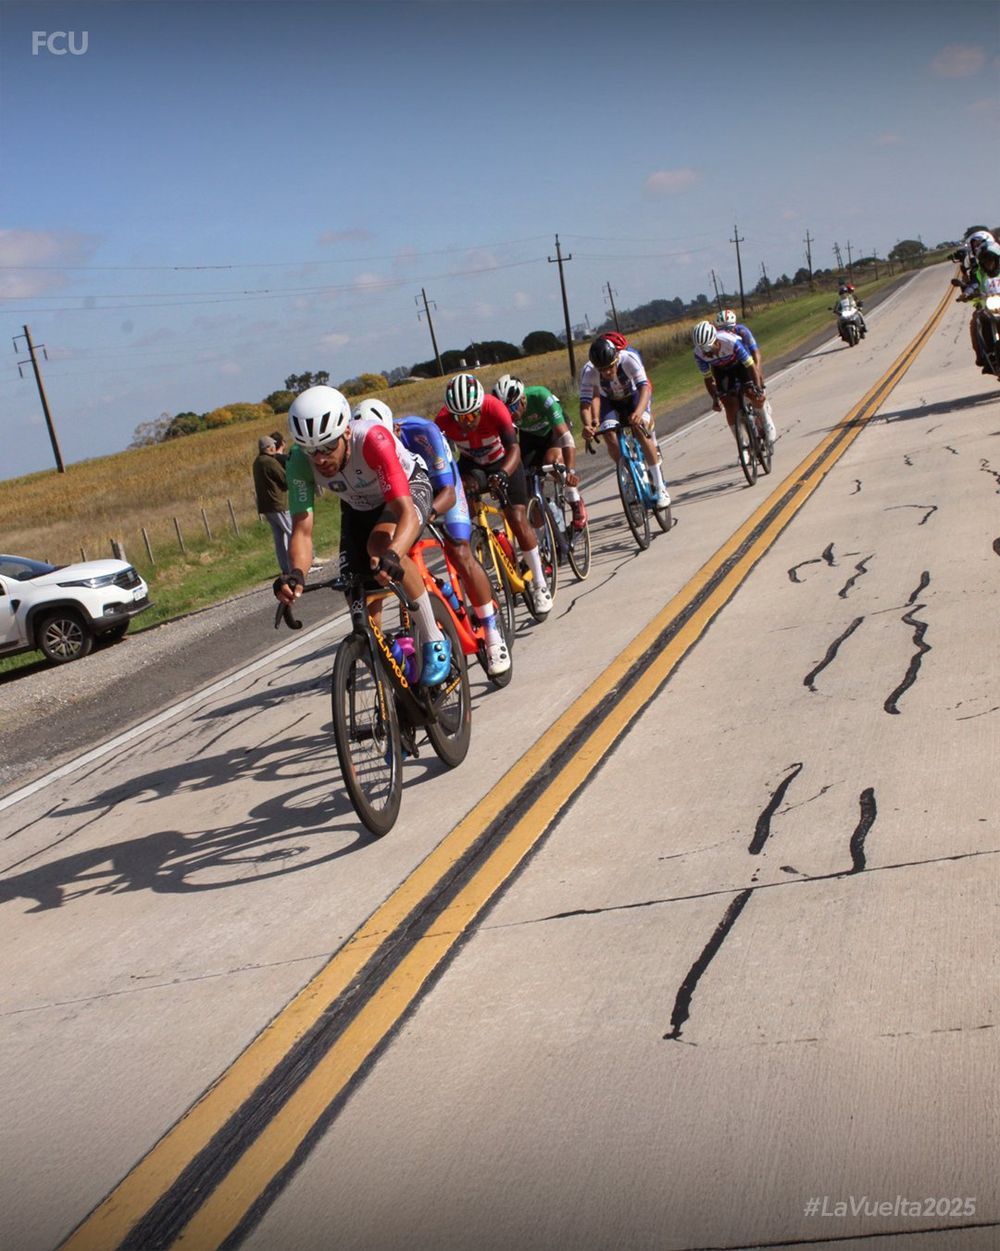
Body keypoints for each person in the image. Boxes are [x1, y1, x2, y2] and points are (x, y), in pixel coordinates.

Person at [275, 385, 452, 686]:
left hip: (406, 491)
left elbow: (405, 513)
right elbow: (302, 529)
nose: (319, 459)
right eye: (311, 450)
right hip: (358, 506)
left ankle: (433, 638)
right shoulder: (298, 462)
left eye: (327, 446)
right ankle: (389, 670)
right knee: (355, 589)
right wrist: (295, 575)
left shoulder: (372, 440)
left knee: (380, 547)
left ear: (345, 433)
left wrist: (395, 554)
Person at [353, 397, 511, 677]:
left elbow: (448, 494)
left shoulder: (423, 432)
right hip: (400, 499)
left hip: (442, 488)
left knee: (459, 549)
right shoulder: (364, 452)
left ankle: (491, 631)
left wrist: (422, 516)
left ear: (396, 431)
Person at [435, 372, 553, 618]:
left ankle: (540, 585)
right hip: (473, 465)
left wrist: (501, 473)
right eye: (460, 417)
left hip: (504, 461)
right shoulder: (443, 422)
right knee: (463, 496)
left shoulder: (495, 408)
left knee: (516, 517)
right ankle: (479, 544)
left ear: (480, 406)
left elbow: (514, 449)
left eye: (471, 415)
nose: (466, 422)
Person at [578, 336, 670, 508]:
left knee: (639, 428)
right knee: (608, 434)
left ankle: (660, 487)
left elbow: (644, 388)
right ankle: (628, 473)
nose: (606, 373)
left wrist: (639, 412)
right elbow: (585, 403)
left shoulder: (629, 359)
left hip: (634, 396)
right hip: (610, 402)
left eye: (610, 367)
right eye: (602, 369)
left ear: (617, 358)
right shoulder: (589, 372)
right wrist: (588, 425)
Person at [492, 375, 588, 529]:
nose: (510, 415)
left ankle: (574, 499)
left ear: (523, 399)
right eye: (505, 410)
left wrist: (570, 470)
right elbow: (505, 448)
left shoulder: (540, 396)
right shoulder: (504, 415)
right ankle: (548, 527)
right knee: (529, 486)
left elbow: (566, 438)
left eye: (512, 408)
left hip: (553, 431)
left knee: (553, 461)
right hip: (530, 437)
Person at [691, 321, 769, 441]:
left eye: (708, 347)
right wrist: (715, 399)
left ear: (716, 340)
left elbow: (750, 366)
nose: (706, 352)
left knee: (752, 393)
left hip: (740, 364)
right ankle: (742, 445)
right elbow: (708, 378)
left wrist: (757, 388)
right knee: (728, 402)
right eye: (702, 349)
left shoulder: (731, 342)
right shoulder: (698, 354)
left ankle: (765, 420)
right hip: (721, 369)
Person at [714, 310, 776, 443]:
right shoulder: (718, 339)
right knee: (730, 400)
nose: (726, 332)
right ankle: (744, 444)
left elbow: (756, 353)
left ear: (734, 325)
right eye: (722, 329)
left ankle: (765, 416)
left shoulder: (742, 331)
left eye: (729, 328)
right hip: (729, 367)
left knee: (755, 381)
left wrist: (758, 374)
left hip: (746, 361)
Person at [253, 435, 292, 574]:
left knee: (279, 538)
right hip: (277, 503)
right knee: (292, 532)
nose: (275, 448)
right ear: (269, 448)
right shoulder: (270, 461)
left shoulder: (257, 462)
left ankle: (285, 568)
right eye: (273, 446)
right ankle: (298, 565)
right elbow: (285, 479)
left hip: (266, 506)